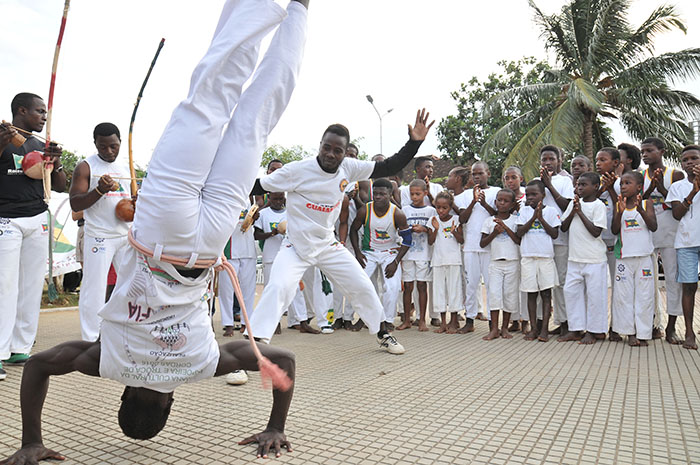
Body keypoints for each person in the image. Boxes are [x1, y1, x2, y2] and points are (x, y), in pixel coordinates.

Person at [1, 0, 309, 460]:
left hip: (207, 245)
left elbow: (283, 362)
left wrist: (274, 427)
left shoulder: (201, 366)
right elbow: (40, 366)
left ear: (170, 402)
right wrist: (31, 442)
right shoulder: (108, 363)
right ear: (124, 395)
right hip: (162, 230)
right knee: (211, 97)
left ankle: (300, 9)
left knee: (255, 119)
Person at [248, 110, 435, 354]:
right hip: (295, 247)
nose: (331, 154)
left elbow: (389, 165)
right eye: (327, 148)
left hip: (327, 245)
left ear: (344, 152)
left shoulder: (349, 167)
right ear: (320, 146)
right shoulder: (296, 171)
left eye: (337, 150)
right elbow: (256, 185)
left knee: (362, 286)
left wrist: (415, 142)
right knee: (279, 287)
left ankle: (382, 333)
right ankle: (254, 345)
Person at [0, 93, 66, 379]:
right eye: (39, 112)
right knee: (4, 286)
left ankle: (19, 347)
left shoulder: (41, 145)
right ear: (21, 110)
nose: (43, 117)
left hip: (38, 217)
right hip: (6, 218)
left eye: (45, 113)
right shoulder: (3, 136)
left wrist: (56, 160)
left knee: (29, 287)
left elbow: (61, 186)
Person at [69, 123, 132, 342]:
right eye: (103, 147)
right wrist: (99, 190)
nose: (109, 151)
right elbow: (76, 204)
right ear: (95, 143)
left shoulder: (127, 167)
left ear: (120, 143)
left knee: (130, 285)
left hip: (125, 236)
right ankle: (91, 338)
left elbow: (133, 203)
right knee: (94, 288)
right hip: (99, 235)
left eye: (113, 146)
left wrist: (136, 204)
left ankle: (125, 333)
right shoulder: (86, 167)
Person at [351, 178, 410, 334]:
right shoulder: (365, 210)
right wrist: (357, 252)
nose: (378, 197)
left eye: (382, 194)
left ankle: (388, 321)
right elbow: (353, 230)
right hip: (369, 252)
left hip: (390, 252)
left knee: (392, 287)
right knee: (359, 285)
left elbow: (408, 239)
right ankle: (363, 318)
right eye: (375, 193)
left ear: (390, 194)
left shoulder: (397, 213)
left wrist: (396, 261)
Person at [641, 137, 685, 344]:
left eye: (649, 150)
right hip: (647, 235)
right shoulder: (640, 175)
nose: (645, 155)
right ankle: (651, 324)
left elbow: (676, 205)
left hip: (670, 235)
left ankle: (671, 327)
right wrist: (651, 188)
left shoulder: (675, 174)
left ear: (661, 152)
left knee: (672, 281)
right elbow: (639, 200)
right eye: (643, 151)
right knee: (647, 283)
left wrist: (661, 186)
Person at [559, 172, 609, 344]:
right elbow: (563, 228)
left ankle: (594, 331)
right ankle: (576, 328)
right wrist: (573, 211)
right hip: (575, 258)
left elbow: (596, 232)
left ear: (595, 187)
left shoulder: (598, 206)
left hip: (594, 259)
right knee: (571, 292)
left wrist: (580, 213)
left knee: (595, 296)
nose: (579, 188)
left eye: (584, 185)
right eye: (578, 184)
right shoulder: (574, 204)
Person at [611, 171, 657, 346]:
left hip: (643, 257)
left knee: (645, 296)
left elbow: (653, 226)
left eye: (627, 183)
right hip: (624, 258)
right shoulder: (619, 204)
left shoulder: (646, 203)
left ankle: (643, 333)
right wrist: (620, 213)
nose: (623, 186)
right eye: (621, 183)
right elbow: (615, 230)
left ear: (639, 187)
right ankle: (629, 333)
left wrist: (640, 211)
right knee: (624, 297)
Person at [455, 161, 497, 332]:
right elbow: (462, 218)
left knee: (490, 284)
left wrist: (485, 202)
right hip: (471, 246)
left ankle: (493, 324)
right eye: (474, 174)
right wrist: (473, 201)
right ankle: (470, 320)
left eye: (480, 173)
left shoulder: (496, 192)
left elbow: (498, 215)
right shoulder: (466, 195)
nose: (477, 177)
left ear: (488, 173)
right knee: (471, 284)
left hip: (489, 246)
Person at [516, 180, 561, 342]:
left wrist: (541, 219)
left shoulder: (551, 211)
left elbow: (555, 234)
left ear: (543, 195)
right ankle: (533, 328)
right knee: (531, 294)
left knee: (546, 294)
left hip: (545, 258)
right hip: (528, 257)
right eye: (528, 195)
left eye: (534, 194)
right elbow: (520, 232)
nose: (530, 198)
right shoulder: (524, 211)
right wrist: (533, 217)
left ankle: (544, 329)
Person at [537, 145, 574, 337]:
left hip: (560, 238)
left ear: (560, 160)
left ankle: (564, 322)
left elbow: (567, 206)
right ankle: (539, 323)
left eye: (552, 159)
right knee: (541, 283)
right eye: (544, 159)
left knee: (561, 282)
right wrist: (542, 184)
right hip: (539, 239)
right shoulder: (536, 181)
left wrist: (549, 185)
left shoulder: (565, 181)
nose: (548, 162)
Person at [666, 145, 700, 350]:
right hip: (686, 243)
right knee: (688, 286)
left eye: (694, 158)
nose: (689, 163)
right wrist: (694, 192)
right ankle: (689, 332)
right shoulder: (677, 187)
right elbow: (677, 214)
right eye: (685, 160)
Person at [480, 189, 521, 340]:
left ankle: (505, 328)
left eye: (505, 201)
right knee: (495, 295)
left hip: (512, 262)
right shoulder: (489, 221)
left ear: (512, 205)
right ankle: (494, 329)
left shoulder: (516, 220)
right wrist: (495, 233)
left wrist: (505, 228)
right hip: (495, 263)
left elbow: (518, 240)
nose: (501, 203)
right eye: (499, 200)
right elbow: (483, 243)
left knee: (510, 295)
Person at [397, 179, 436, 331]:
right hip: (407, 254)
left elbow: (434, 234)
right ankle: (407, 319)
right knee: (407, 286)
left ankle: (422, 320)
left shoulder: (431, 211)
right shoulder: (404, 210)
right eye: (412, 194)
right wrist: (409, 230)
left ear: (425, 193)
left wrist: (425, 229)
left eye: (418, 194)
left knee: (421, 285)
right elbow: (399, 230)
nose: (414, 197)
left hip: (423, 255)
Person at [594, 148, 622, 341]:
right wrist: (602, 188)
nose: (598, 163)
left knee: (618, 289)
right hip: (596, 244)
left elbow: (620, 206)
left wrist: (611, 188)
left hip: (615, 243)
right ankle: (598, 327)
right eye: (596, 160)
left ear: (615, 163)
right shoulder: (594, 183)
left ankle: (616, 327)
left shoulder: (621, 184)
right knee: (597, 288)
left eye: (603, 160)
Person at [427, 191, 464, 333]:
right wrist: (435, 230)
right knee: (439, 292)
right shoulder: (433, 220)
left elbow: (461, 240)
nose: (441, 211)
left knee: (454, 290)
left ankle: (454, 322)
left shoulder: (456, 219)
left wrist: (454, 232)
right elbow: (430, 242)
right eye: (438, 207)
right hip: (438, 261)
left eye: (445, 208)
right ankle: (443, 323)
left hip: (454, 261)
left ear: (450, 207)